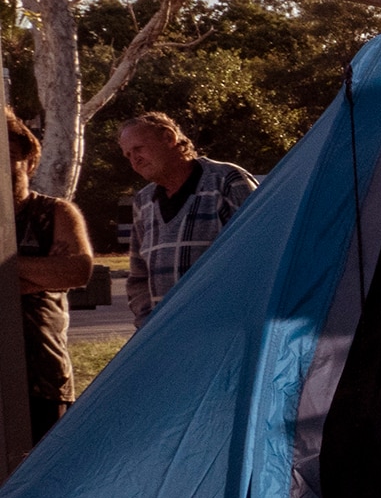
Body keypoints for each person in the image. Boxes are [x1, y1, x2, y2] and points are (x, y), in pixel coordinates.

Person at [119, 111, 255, 326]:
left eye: (138, 148)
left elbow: (261, 254)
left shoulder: (226, 181)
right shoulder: (144, 201)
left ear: (169, 138)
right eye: (128, 155)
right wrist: (147, 322)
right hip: (165, 335)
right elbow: (138, 277)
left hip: (225, 328)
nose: (135, 159)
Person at [10, 112, 92, 441]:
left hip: (44, 375)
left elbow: (76, 270)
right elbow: (56, 273)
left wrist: (7, 269)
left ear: (30, 163)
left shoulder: (54, 213)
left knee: (41, 471)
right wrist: (40, 271)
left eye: (10, 158)